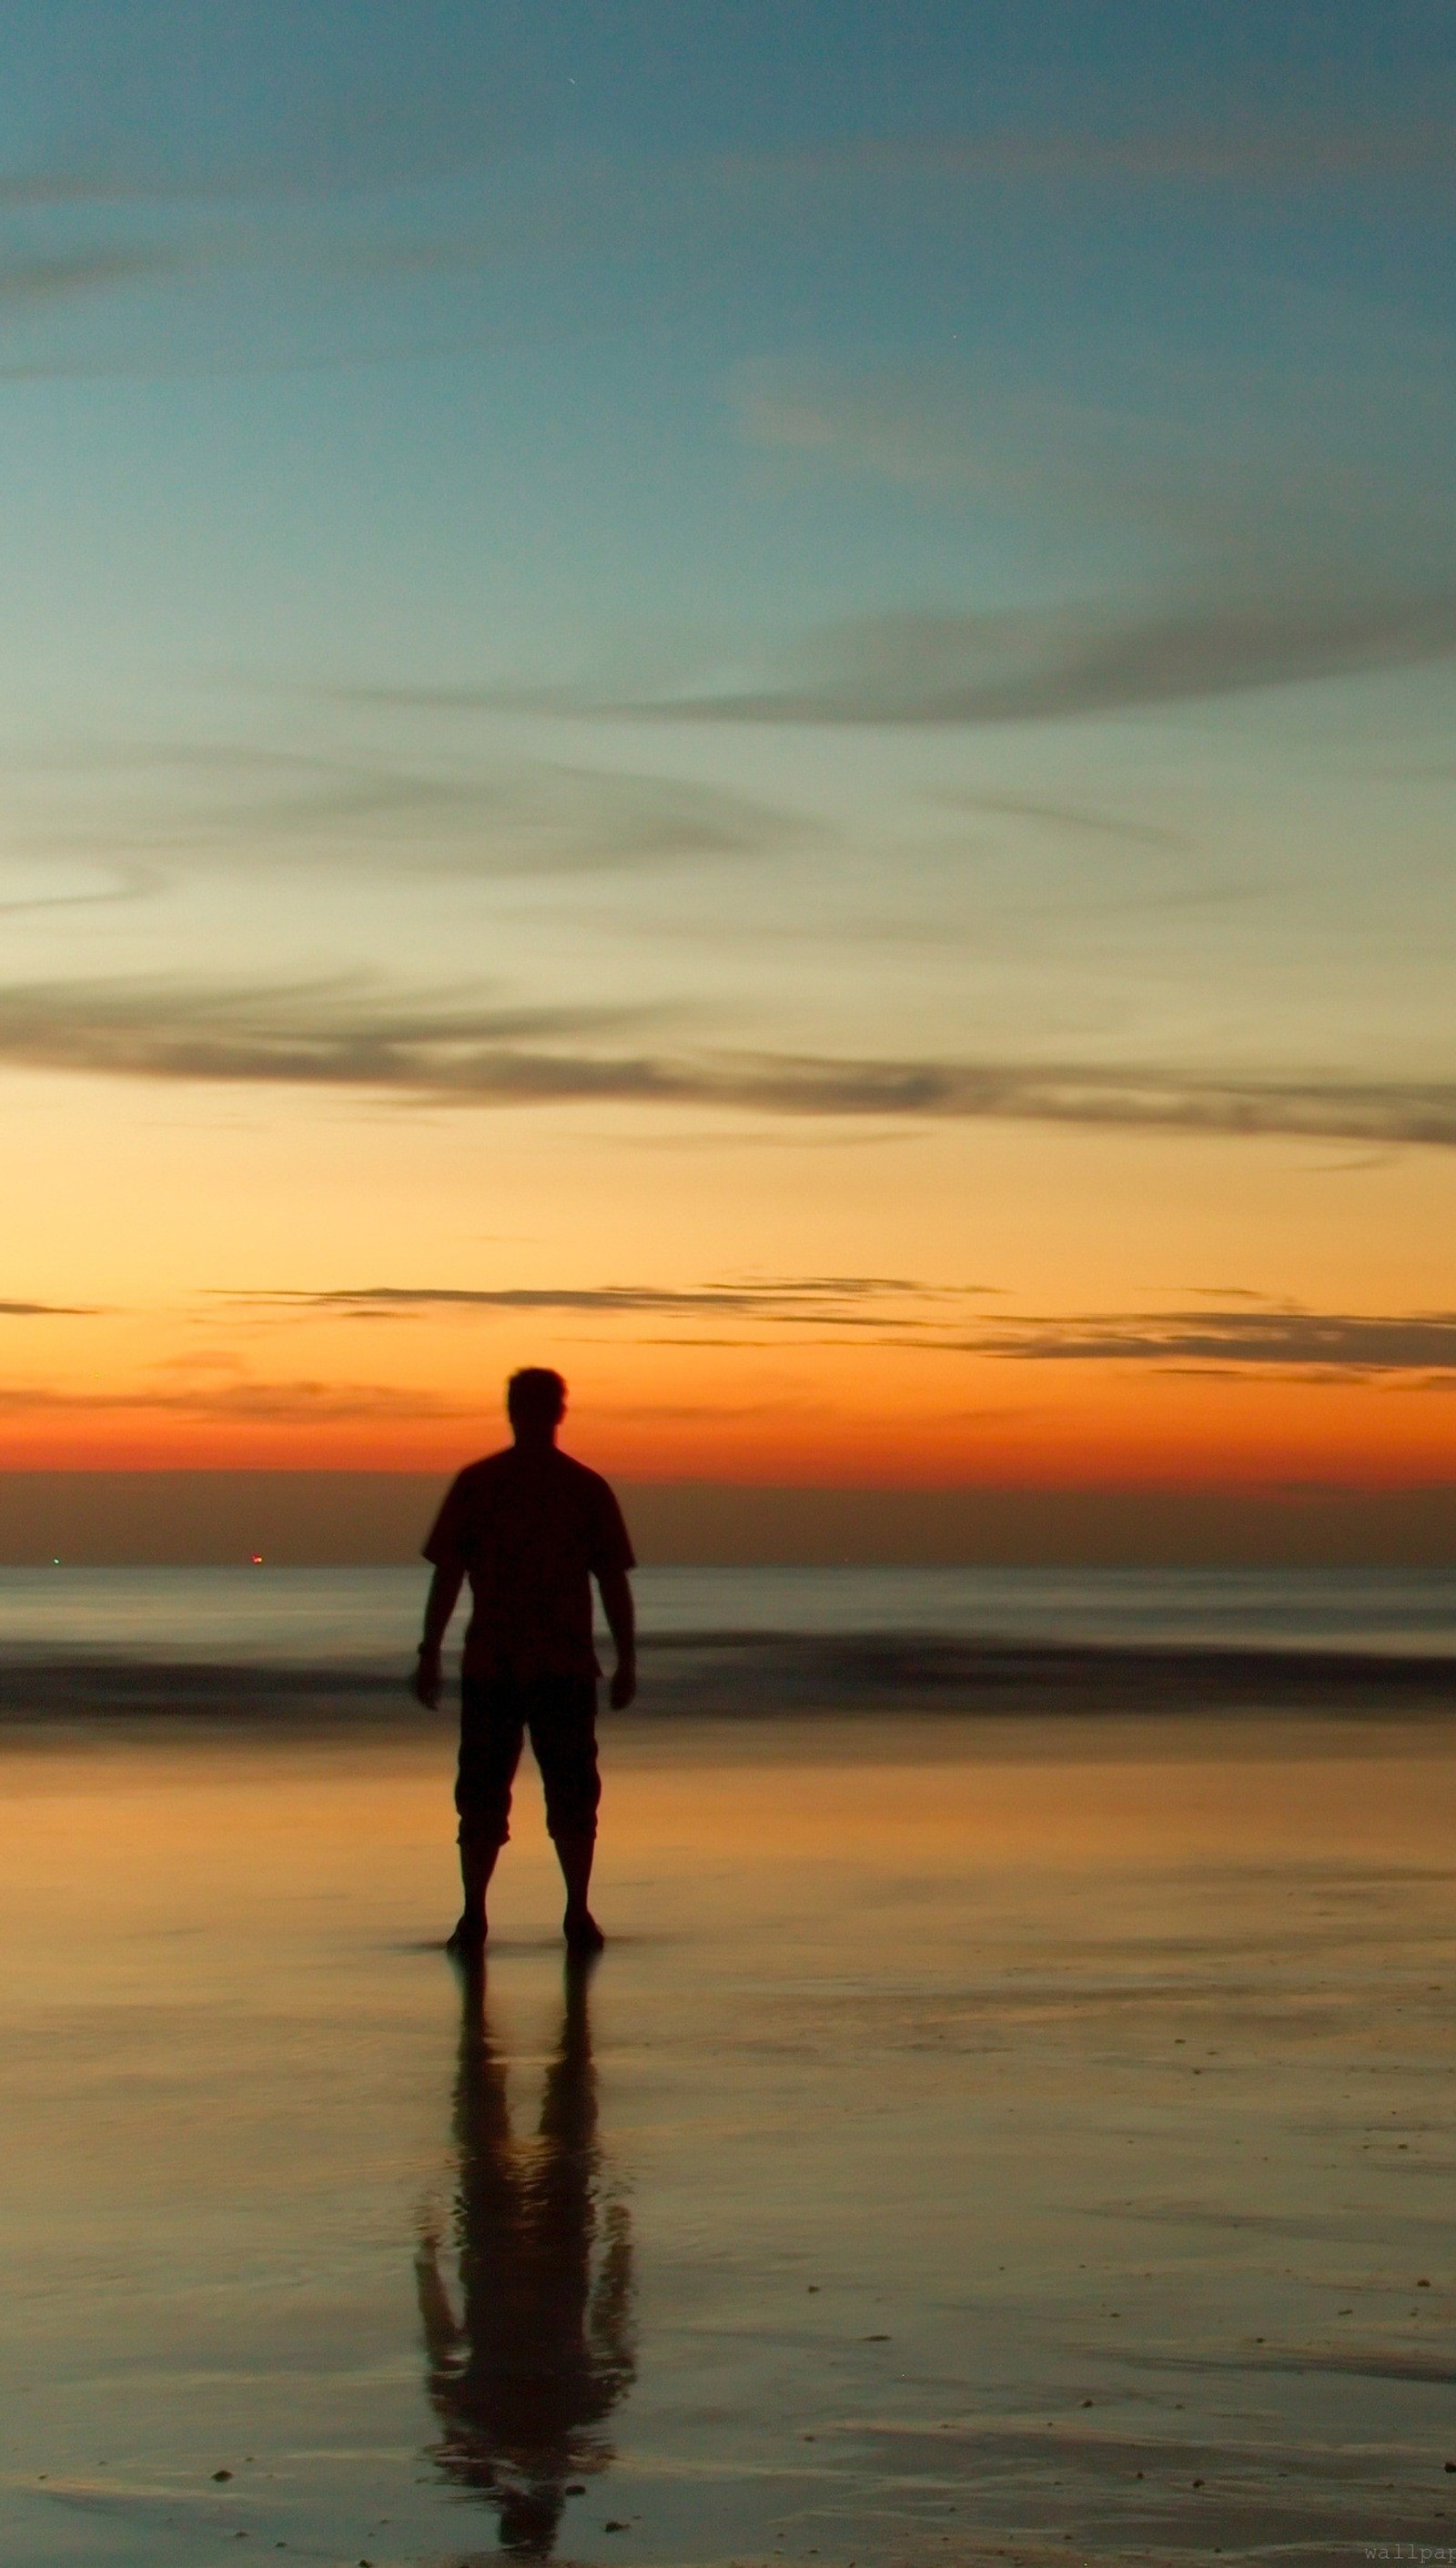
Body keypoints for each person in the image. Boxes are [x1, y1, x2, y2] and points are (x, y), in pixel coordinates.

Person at [415, 1954, 635, 2553]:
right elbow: (613, 2333)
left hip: (501, 2257)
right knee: (555, 2120)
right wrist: (621, 2251)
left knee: (500, 2119)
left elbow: (442, 2345)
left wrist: (425, 2263)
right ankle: (556, 2011)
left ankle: (488, 2010)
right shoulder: (552, 2424)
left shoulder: (507, 2426)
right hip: (550, 2257)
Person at [412, 1368, 636, 1955]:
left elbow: (447, 1579)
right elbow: (612, 1583)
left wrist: (429, 1652)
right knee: (566, 1795)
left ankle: (478, 1918)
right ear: (559, 1412)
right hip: (547, 1666)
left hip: (504, 1666)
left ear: (513, 1410)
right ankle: (572, 1914)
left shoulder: (483, 1483)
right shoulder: (580, 1487)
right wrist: (627, 1658)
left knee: (490, 1796)